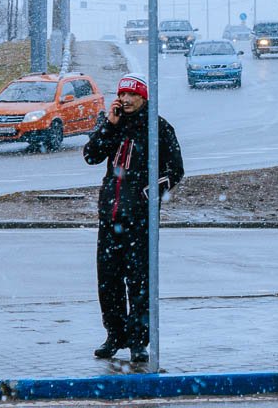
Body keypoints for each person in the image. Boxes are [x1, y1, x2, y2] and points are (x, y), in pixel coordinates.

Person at [83, 73, 184, 363]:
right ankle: (114, 335)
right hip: (110, 216)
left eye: (132, 95)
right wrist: (109, 126)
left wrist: (147, 195)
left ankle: (138, 341)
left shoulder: (157, 127)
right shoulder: (113, 123)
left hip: (140, 221)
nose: (126, 100)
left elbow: (175, 169)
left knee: (139, 282)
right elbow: (91, 155)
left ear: (143, 98)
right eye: (122, 94)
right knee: (109, 281)